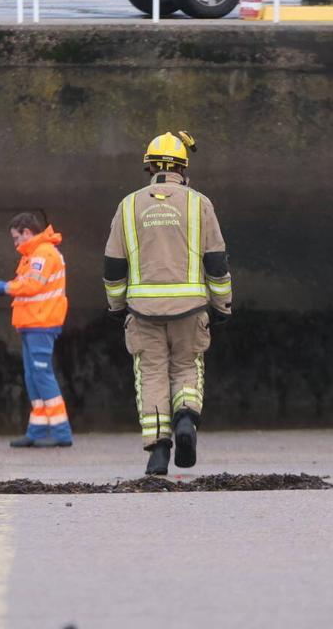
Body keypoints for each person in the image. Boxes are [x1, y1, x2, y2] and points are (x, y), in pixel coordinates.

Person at [103, 131, 232, 475]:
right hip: (190, 309)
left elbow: (113, 266)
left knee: (152, 374)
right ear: (183, 169)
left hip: (142, 311)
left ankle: (159, 451)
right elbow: (216, 262)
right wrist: (222, 305)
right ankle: (186, 419)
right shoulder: (199, 204)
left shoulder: (128, 206)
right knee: (187, 367)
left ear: (149, 168)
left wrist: (116, 306)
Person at [0, 212, 74, 448]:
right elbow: (27, 285)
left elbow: (32, 285)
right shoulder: (34, 254)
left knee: (41, 375)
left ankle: (61, 432)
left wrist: (1, 287)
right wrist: (2, 286)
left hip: (41, 322)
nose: (15, 243)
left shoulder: (43, 253)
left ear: (27, 232)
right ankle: (37, 431)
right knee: (33, 377)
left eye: (16, 238)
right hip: (33, 323)